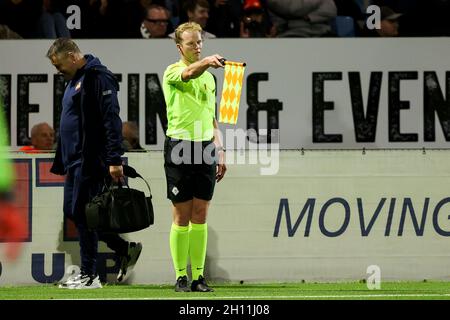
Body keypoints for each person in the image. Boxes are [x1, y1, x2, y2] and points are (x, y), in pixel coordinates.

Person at [46, 38, 142, 289]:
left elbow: (111, 118)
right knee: (75, 213)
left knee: (83, 215)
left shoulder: (98, 77)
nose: (58, 71)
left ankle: (89, 275)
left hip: (90, 159)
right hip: (74, 161)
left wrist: (114, 159)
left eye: (58, 65)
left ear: (71, 55)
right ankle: (123, 248)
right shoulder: (75, 80)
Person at [162, 22, 227, 292]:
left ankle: (198, 278)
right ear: (180, 47)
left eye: (199, 42)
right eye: (191, 43)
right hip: (179, 146)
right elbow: (188, 73)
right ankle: (180, 277)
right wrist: (208, 62)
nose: (197, 46)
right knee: (181, 215)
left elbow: (211, 119)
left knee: (200, 214)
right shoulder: (173, 71)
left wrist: (220, 150)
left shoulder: (210, 78)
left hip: (204, 147)